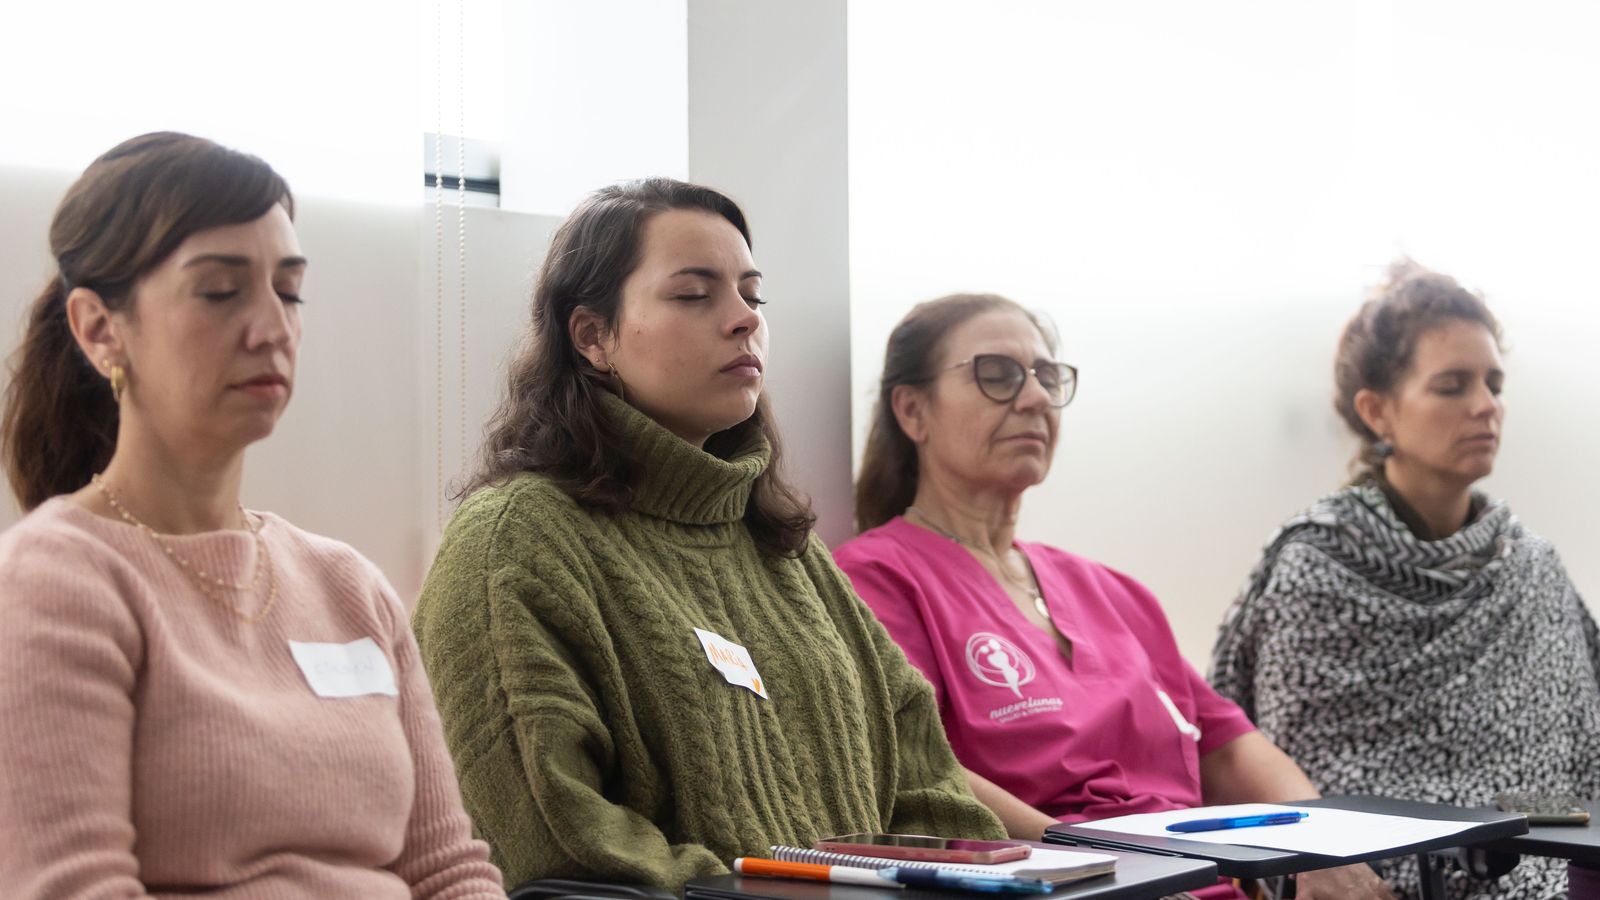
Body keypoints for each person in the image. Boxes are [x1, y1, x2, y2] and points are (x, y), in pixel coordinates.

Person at [412, 178, 1005, 892]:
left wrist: (974, 880)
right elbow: (558, 843)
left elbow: (928, 786)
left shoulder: (785, 547)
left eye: (753, 296)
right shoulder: (513, 543)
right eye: (695, 295)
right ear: (592, 336)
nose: (742, 320)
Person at [0, 133, 504, 898]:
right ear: (101, 328)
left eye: (289, 290)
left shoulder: (349, 587)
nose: (274, 328)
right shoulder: (57, 580)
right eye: (220, 291)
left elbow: (447, 870)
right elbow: (74, 886)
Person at [834, 293, 1392, 900]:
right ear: (913, 410)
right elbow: (919, 767)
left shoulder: (1114, 593)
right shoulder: (877, 578)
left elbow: (1230, 750)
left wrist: (1318, 848)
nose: (1035, 398)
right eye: (997, 376)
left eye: (1048, 377)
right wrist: (1105, 863)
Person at [1210, 261, 1600, 900]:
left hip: (1560, 871)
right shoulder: (1317, 568)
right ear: (1378, 411)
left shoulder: (1532, 565)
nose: (1485, 406)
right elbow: (1287, 778)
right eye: (1452, 386)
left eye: (1494, 384)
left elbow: (1582, 760)